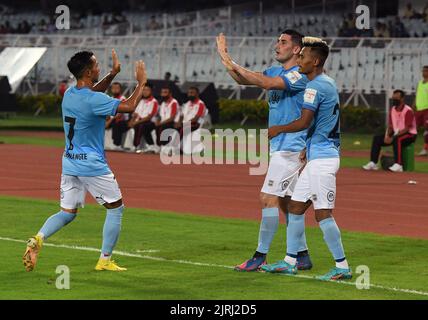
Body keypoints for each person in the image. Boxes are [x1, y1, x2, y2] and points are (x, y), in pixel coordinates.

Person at [22, 49, 147, 272]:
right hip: (91, 165)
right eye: (97, 65)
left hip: (69, 162)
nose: (100, 68)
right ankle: (104, 260)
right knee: (116, 209)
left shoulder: (70, 94)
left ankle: (38, 238)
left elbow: (92, 93)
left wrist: (113, 74)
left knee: (67, 213)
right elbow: (129, 107)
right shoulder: (94, 99)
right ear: (89, 71)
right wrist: (141, 83)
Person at [217, 30, 312, 272]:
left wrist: (233, 62)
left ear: (296, 49)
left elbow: (267, 84)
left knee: (267, 197)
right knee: (287, 203)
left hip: (292, 145)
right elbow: (244, 80)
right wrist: (224, 58)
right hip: (280, 146)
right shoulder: (274, 70)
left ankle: (260, 256)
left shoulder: (300, 74)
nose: (277, 45)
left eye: (283, 42)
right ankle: (301, 255)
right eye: (278, 41)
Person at [258, 37, 352, 281]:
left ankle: (342, 267)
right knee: (295, 207)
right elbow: (321, 122)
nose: (299, 59)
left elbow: (304, 121)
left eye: (303, 56)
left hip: (323, 159)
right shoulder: (327, 83)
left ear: (316, 61)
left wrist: (278, 129)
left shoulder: (313, 87)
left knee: (323, 214)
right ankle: (290, 261)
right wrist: (307, 147)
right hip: (316, 155)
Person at [363, 90, 417, 172]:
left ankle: (399, 164)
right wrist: (387, 136)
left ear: (402, 99)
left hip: (410, 135)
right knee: (377, 138)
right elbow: (391, 126)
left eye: (396, 98)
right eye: (393, 98)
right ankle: (373, 162)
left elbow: (407, 128)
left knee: (397, 139)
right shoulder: (392, 110)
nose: (394, 100)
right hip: (396, 133)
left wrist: (394, 136)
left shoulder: (408, 110)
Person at [128, 82, 159, 153]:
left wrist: (136, 122)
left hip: (151, 122)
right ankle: (135, 145)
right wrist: (131, 121)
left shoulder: (154, 102)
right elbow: (135, 114)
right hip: (139, 121)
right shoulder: (141, 101)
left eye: (147, 90)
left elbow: (149, 117)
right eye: (144, 90)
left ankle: (149, 146)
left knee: (142, 126)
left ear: (151, 91)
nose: (145, 92)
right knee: (134, 125)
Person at [105, 82, 129, 150]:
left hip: (122, 120)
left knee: (116, 123)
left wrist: (109, 121)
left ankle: (117, 144)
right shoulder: (110, 99)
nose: (115, 90)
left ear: (120, 89)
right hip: (112, 119)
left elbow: (120, 114)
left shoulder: (123, 98)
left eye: (117, 88)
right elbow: (107, 112)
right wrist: (106, 118)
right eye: (113, 88)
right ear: (111, 89)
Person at [414, 66, 428, 156]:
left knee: (427, 129)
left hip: (427, 109)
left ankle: (425, 148)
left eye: (426, 71)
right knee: (413, 128)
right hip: (419, 109)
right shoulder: (419, 83)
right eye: (423, 71)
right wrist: (413, 105)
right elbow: (417, 95)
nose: (424, 72)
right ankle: (406, 147)